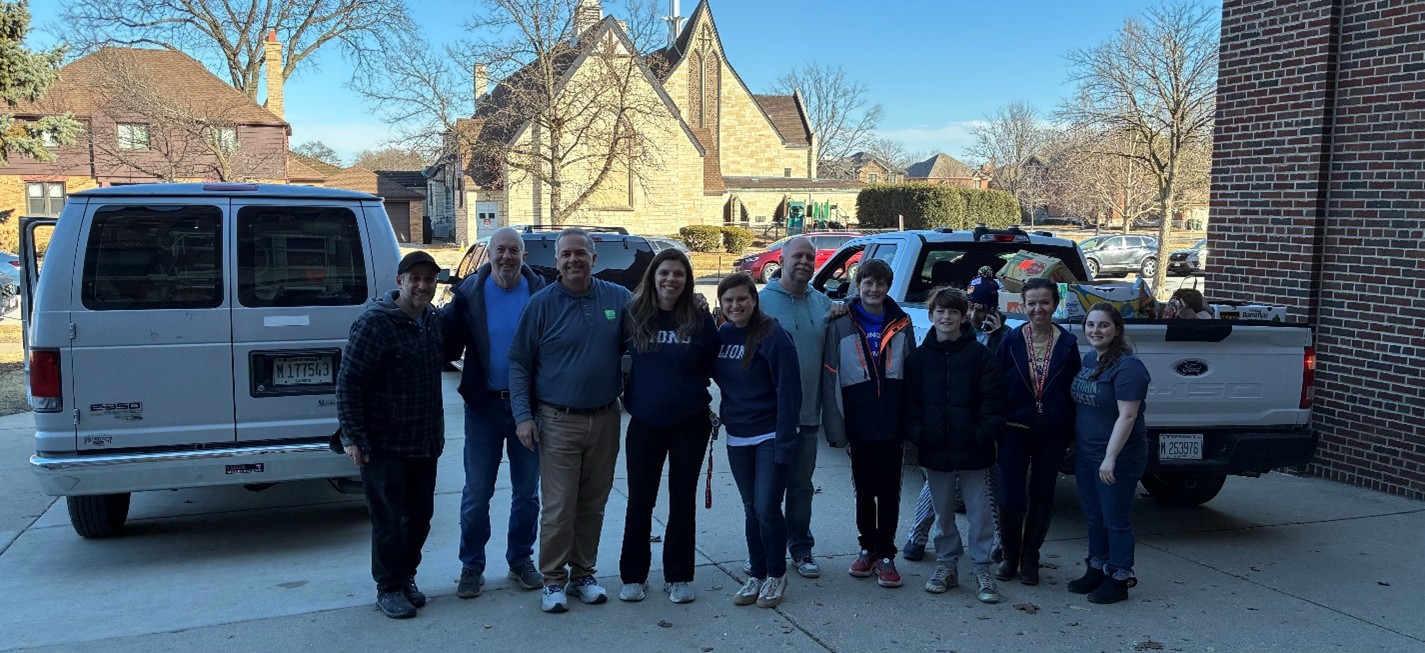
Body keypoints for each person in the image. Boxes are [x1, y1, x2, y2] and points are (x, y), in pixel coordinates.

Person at [509, 228, 633, 614]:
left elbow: (651, 324)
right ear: (556, 261)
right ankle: (552, 580)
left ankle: (583, 575)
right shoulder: (541, 304)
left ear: (594, 258)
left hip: (606, 417)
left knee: (593, 503)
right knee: (560, 506)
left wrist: (692, 304)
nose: (573, 260)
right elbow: (519, 362)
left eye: (581, 253)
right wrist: (523, 416)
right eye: (566, 254)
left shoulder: (618, 298)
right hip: (557, 420)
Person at [336, 251, 446, 619]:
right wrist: (353, 435)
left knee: (420, 517)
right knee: (390, 520)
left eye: (429, 279)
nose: (422, 285)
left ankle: (406, 576)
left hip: (424, 440)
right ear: (400, 281)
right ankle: (388, 587)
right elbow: (349, 382)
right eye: (415, 278)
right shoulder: (375, 324)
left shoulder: (433, 321)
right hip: (383, 445)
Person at [441, 227, 546, 599]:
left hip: (528, 410)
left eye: (513, 251)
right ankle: (472, 564)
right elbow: (442, 340)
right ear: (489, 254)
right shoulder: (469, 294)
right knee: (476, 493)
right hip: (483, 407)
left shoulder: (541, 293)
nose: (506, 257)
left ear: (524, 256)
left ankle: (520, 559)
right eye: (500, 250)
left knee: (527, 493)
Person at [617, 249, 720, 604]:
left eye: (678, 273)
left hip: (690, 424)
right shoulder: (634, 315)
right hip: (645, 423)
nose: (670, 279)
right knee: (639, 501)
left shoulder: (699, 319)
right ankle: (633, 575)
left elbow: (713, 364)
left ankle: (678, 576)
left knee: (682, 501)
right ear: (653, 276)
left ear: (687, 280)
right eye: (664, 273)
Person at [905, 287, 1007, 602]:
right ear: (931, 316)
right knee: (943, 512)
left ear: (964, 318)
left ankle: (982, 570)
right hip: (935, 448)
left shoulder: (981, 356)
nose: (946, 317)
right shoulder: (919, 359)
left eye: (953, 312)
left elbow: (994, 402)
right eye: (940, 311)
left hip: (974, 449)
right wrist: (919, 433)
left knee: (979, 513)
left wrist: (982, 434)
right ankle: (946, 565)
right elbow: (910, 403)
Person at [821, 259, 915, 588]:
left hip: (891, 422)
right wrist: (837, 426)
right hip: (858, 421)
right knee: (864, 491)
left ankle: (886, 553)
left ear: (888, 287)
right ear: (857, 285)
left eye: (880, 284)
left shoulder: (901, 323)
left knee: (889, 492)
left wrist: (910, 422)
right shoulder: (840, 322)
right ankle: (866, 549)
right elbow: (830, 377)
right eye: (868, 283)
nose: (874, 289)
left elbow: (912, 376)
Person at [714, 273, 801, 609]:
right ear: (721, 304)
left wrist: (785, 442)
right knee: (751, 508)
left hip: (770, 435)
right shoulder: (722, 334)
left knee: (766, 507)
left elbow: (789, 393)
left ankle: (777, 574)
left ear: (754, 299)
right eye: (728, 300)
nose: (735, 305)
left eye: (742, 299)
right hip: (738, 436)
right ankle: (757, 572)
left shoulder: (774, 335)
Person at [996, 277, 1082, 586]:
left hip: (1052, 432)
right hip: (1013, 429)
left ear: (1055, 305)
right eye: (1031, 303)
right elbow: (996, 384)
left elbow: (1073, 389)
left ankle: (1031, 557)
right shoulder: (1010, 340)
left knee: (1042, 495)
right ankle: (1010, 555)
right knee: (1010, 497)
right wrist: (995, 424)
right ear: (1023, 305)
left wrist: (1071, 432)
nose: (1038, 309)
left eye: (1044, 302)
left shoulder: (1067, 344)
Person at [757, 236, 833, 579]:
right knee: (767, 490)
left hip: (807, 414)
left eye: (810, 257)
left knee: (801, 487)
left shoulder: (823, 302)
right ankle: (763, 550)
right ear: (782, 260)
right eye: (797, 256)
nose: (804, 262)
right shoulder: (761, 303)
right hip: (768, 416)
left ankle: (801, 548)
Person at [1067, 303, 1150, 604]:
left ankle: (1119, 578)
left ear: (1116, 329)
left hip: (1118, 457)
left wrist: (1110, 457)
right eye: (1091, 324)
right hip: (1087, 454)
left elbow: (1127, 416)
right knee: (1094, 516)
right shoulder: (1091, 358)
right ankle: (1097, 568)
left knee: (1114, 519)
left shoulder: (1129, 367)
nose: (1095, 330)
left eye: (1103, 325)